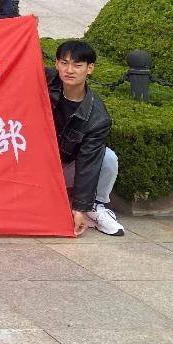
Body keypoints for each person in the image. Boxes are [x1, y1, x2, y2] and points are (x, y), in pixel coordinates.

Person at [47, 40, 124, 236]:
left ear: (90, 68)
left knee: (107, 158)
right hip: (32, 160)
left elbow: (88, 163)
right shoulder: (45, 80)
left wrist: (79, 208)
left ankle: (94, 207)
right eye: (64, 63)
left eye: (77, 65)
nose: (69, 70)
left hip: (63, 166)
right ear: (56, 64)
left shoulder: (98, 117)